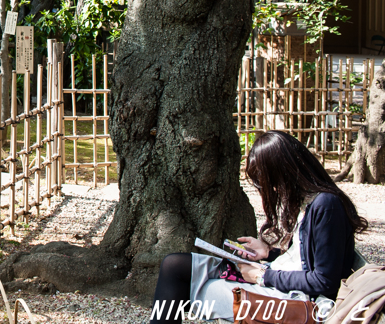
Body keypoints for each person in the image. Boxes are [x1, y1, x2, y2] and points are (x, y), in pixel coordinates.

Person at [150, 130, 368, 323]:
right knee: (175, 265)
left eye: (270, 181)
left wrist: (261, 276)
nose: (272, 189)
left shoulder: (326, 206)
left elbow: (324, 282)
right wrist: (268, 254)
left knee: (192, 287)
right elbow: (303, 259)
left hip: (296, 301)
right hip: (277, 280)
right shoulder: (310, 203)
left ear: (285, 173)